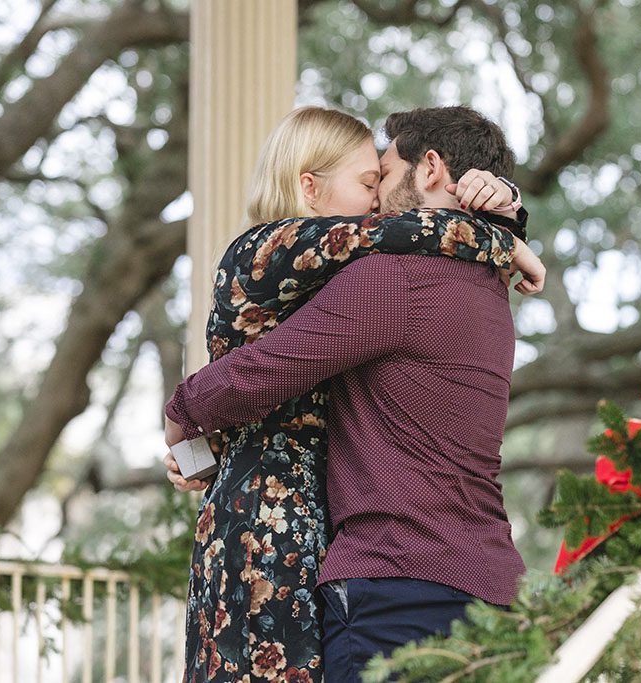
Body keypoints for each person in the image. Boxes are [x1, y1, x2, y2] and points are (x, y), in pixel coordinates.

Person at [162, 106, 543, 682]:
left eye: (381, 178)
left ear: (431, 168)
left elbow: (265, 369)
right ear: (308, 187)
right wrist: (506, 229)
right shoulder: (488, 286)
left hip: (396, 586)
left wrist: (182, 412)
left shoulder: (397, 279)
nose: (375, 200)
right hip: (486, 579)